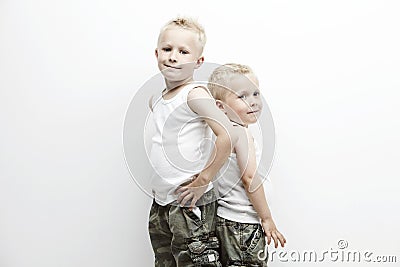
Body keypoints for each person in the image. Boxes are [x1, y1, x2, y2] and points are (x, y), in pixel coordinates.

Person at [147, 17, 236, 266]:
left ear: (198, 62)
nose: (173, 56)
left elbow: (226, 135)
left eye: (183, 52)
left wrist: (203, 180)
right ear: (157, 53)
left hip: (189, 203)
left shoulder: (194, 94)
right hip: (162, 203)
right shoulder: (157, 99)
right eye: (167, 49)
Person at [208, 63, 286, 266]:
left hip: (226, 222)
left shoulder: (223, 134)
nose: (253, 102)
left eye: (255, 93)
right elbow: (249, 178)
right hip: (244, 226)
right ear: (220, 106)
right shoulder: (241, 133)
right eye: (242, 96)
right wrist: (266, 218)